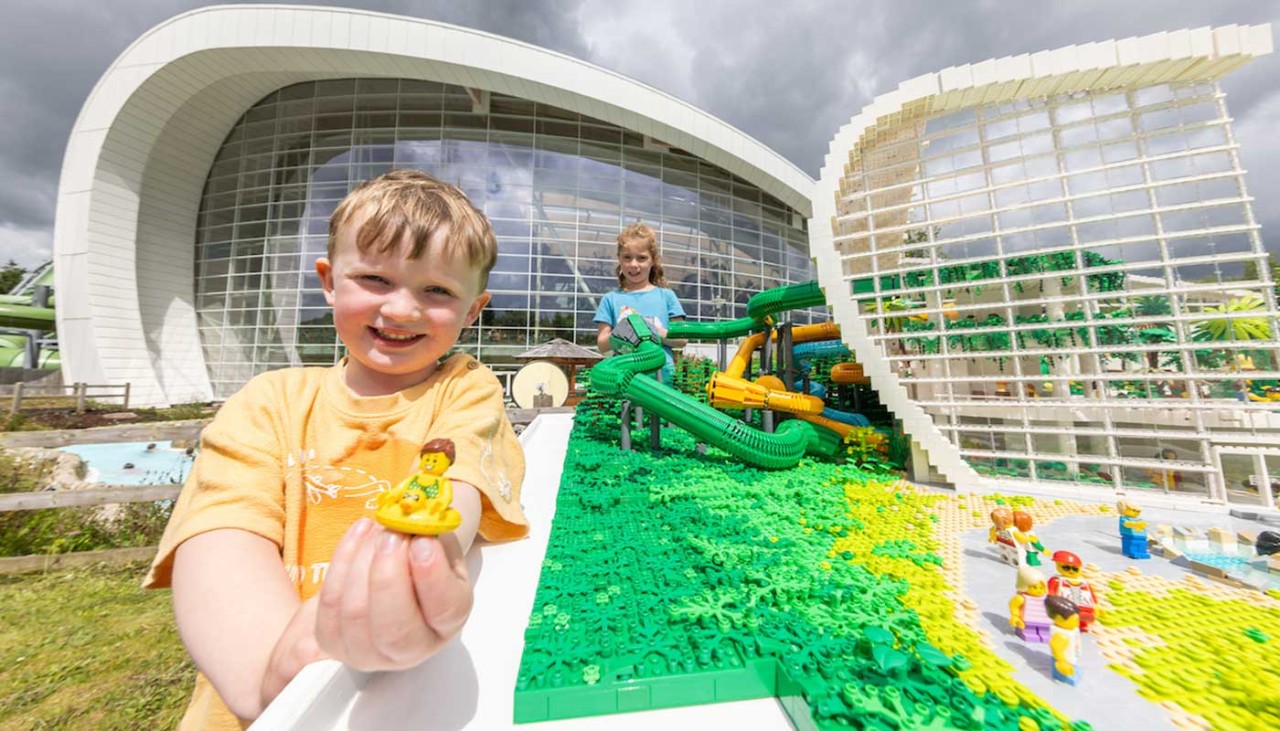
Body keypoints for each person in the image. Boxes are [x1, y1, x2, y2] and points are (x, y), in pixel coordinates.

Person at [143, 169, 529, 730]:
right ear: (329, 280)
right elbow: (221, 536)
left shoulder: (464, 389)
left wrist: (421, 569)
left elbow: (456, 485)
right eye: (375, 278)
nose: (401, 309)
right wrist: (269, 674)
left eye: (437, 290)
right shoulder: (270, 402)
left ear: (473, 310)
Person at [594, 222, 686, 382]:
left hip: (663, 378)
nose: (634, 264)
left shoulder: (667, 296)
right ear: (619, 259)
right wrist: (624, 332)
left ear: (653, 260)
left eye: (641, 258)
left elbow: (681, 340)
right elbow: (602, 344)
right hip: (624, 379)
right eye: (627, 257)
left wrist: (650, 330)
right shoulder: (610, 299)